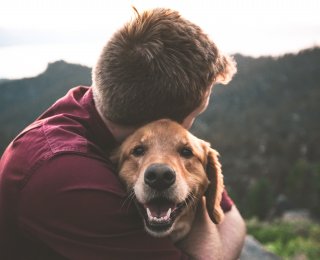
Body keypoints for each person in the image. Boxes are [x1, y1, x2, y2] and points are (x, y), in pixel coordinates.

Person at [0, 8, 246, 260]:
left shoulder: (97, 106)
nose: (188, 128)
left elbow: (232, 219)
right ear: (162, 122)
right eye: (196, 114)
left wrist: (196, 196)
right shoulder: (67, 176)